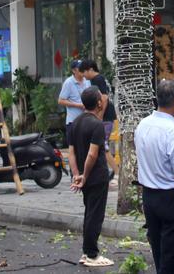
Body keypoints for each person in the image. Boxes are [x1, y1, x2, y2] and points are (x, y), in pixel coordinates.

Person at [135, 79, 174, 274]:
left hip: (149, 197)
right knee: (173, 256)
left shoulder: (142, 125)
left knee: (159, 252)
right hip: (170, 198)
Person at [69, 86, 114, 268]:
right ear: (98, 103)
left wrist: (76, 175)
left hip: (85, 177)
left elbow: (71, 153)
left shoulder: (75, 123)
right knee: (95, 216)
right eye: (101, 98)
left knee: (90, 214)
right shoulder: (96, 125)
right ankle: (91, 254)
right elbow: (92, 155)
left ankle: (87, 251)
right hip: (96, 177)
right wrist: (85, 176)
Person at [80, 59, 117, 177]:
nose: (83, 76)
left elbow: (104, 98)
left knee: (102, 146)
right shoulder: (101, 78)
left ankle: (117, 173)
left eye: (84, 72)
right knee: (101, 146)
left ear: (90, 69)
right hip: (108, 116)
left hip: (105, 117)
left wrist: (99, 117)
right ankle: (109, 172)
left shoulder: (97, 79)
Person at [58, 60, 91, 146]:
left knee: (85, 148)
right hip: (73, 122)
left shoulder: (87, 81)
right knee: (74, 150)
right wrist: (78, 105)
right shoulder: (68, 82)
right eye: (80, 68)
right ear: (74, 70)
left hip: (87, 121)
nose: (82, 70)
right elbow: (60, 100)